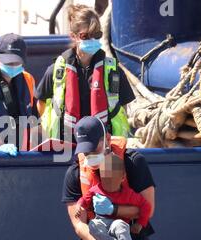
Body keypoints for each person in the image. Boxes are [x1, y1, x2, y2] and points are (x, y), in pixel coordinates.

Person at [62, 116, 156, 240]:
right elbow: (79, 224)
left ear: (107, 139)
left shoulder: (132, 162)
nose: (90, 155)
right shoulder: (75, 173)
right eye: (86, 151)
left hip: (132, 237)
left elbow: (148, 208)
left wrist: (113, 210)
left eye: (94, 149)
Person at [36, 4, 134, 141]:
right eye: (86, 36)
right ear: (74, 36)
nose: (92, 40)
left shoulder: (113, 71)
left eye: (97, 35)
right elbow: (41, 103)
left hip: (102, 145)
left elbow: (123, 108)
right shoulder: (56, 71)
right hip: (66, 145)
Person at [76, 152, 152, 240]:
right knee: (93, 225)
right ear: (101, 176)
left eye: (113, 181)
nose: (109, 186)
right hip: (102, 225)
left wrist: (140, 224)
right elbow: (84, 200)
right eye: (106, 181)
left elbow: (146, 207)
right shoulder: (96, 190)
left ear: (122, 177)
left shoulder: (128, 194)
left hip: (120, 224)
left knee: (119, 225)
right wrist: (79, 207)